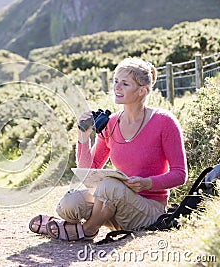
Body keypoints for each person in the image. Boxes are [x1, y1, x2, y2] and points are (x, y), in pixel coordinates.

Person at [29, 57, 187, 241]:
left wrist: (147, 183)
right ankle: (76, 225)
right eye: (116, 81)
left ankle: (86, 230)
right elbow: (89, 169)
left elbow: (180, 174)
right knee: (68, 205)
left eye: (125, 84)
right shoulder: (111, 123)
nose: (117, 87)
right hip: (115, 205)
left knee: (109, 186)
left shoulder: (164, 122)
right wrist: (83, 137)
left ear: (142, 91)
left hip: (149, 209)